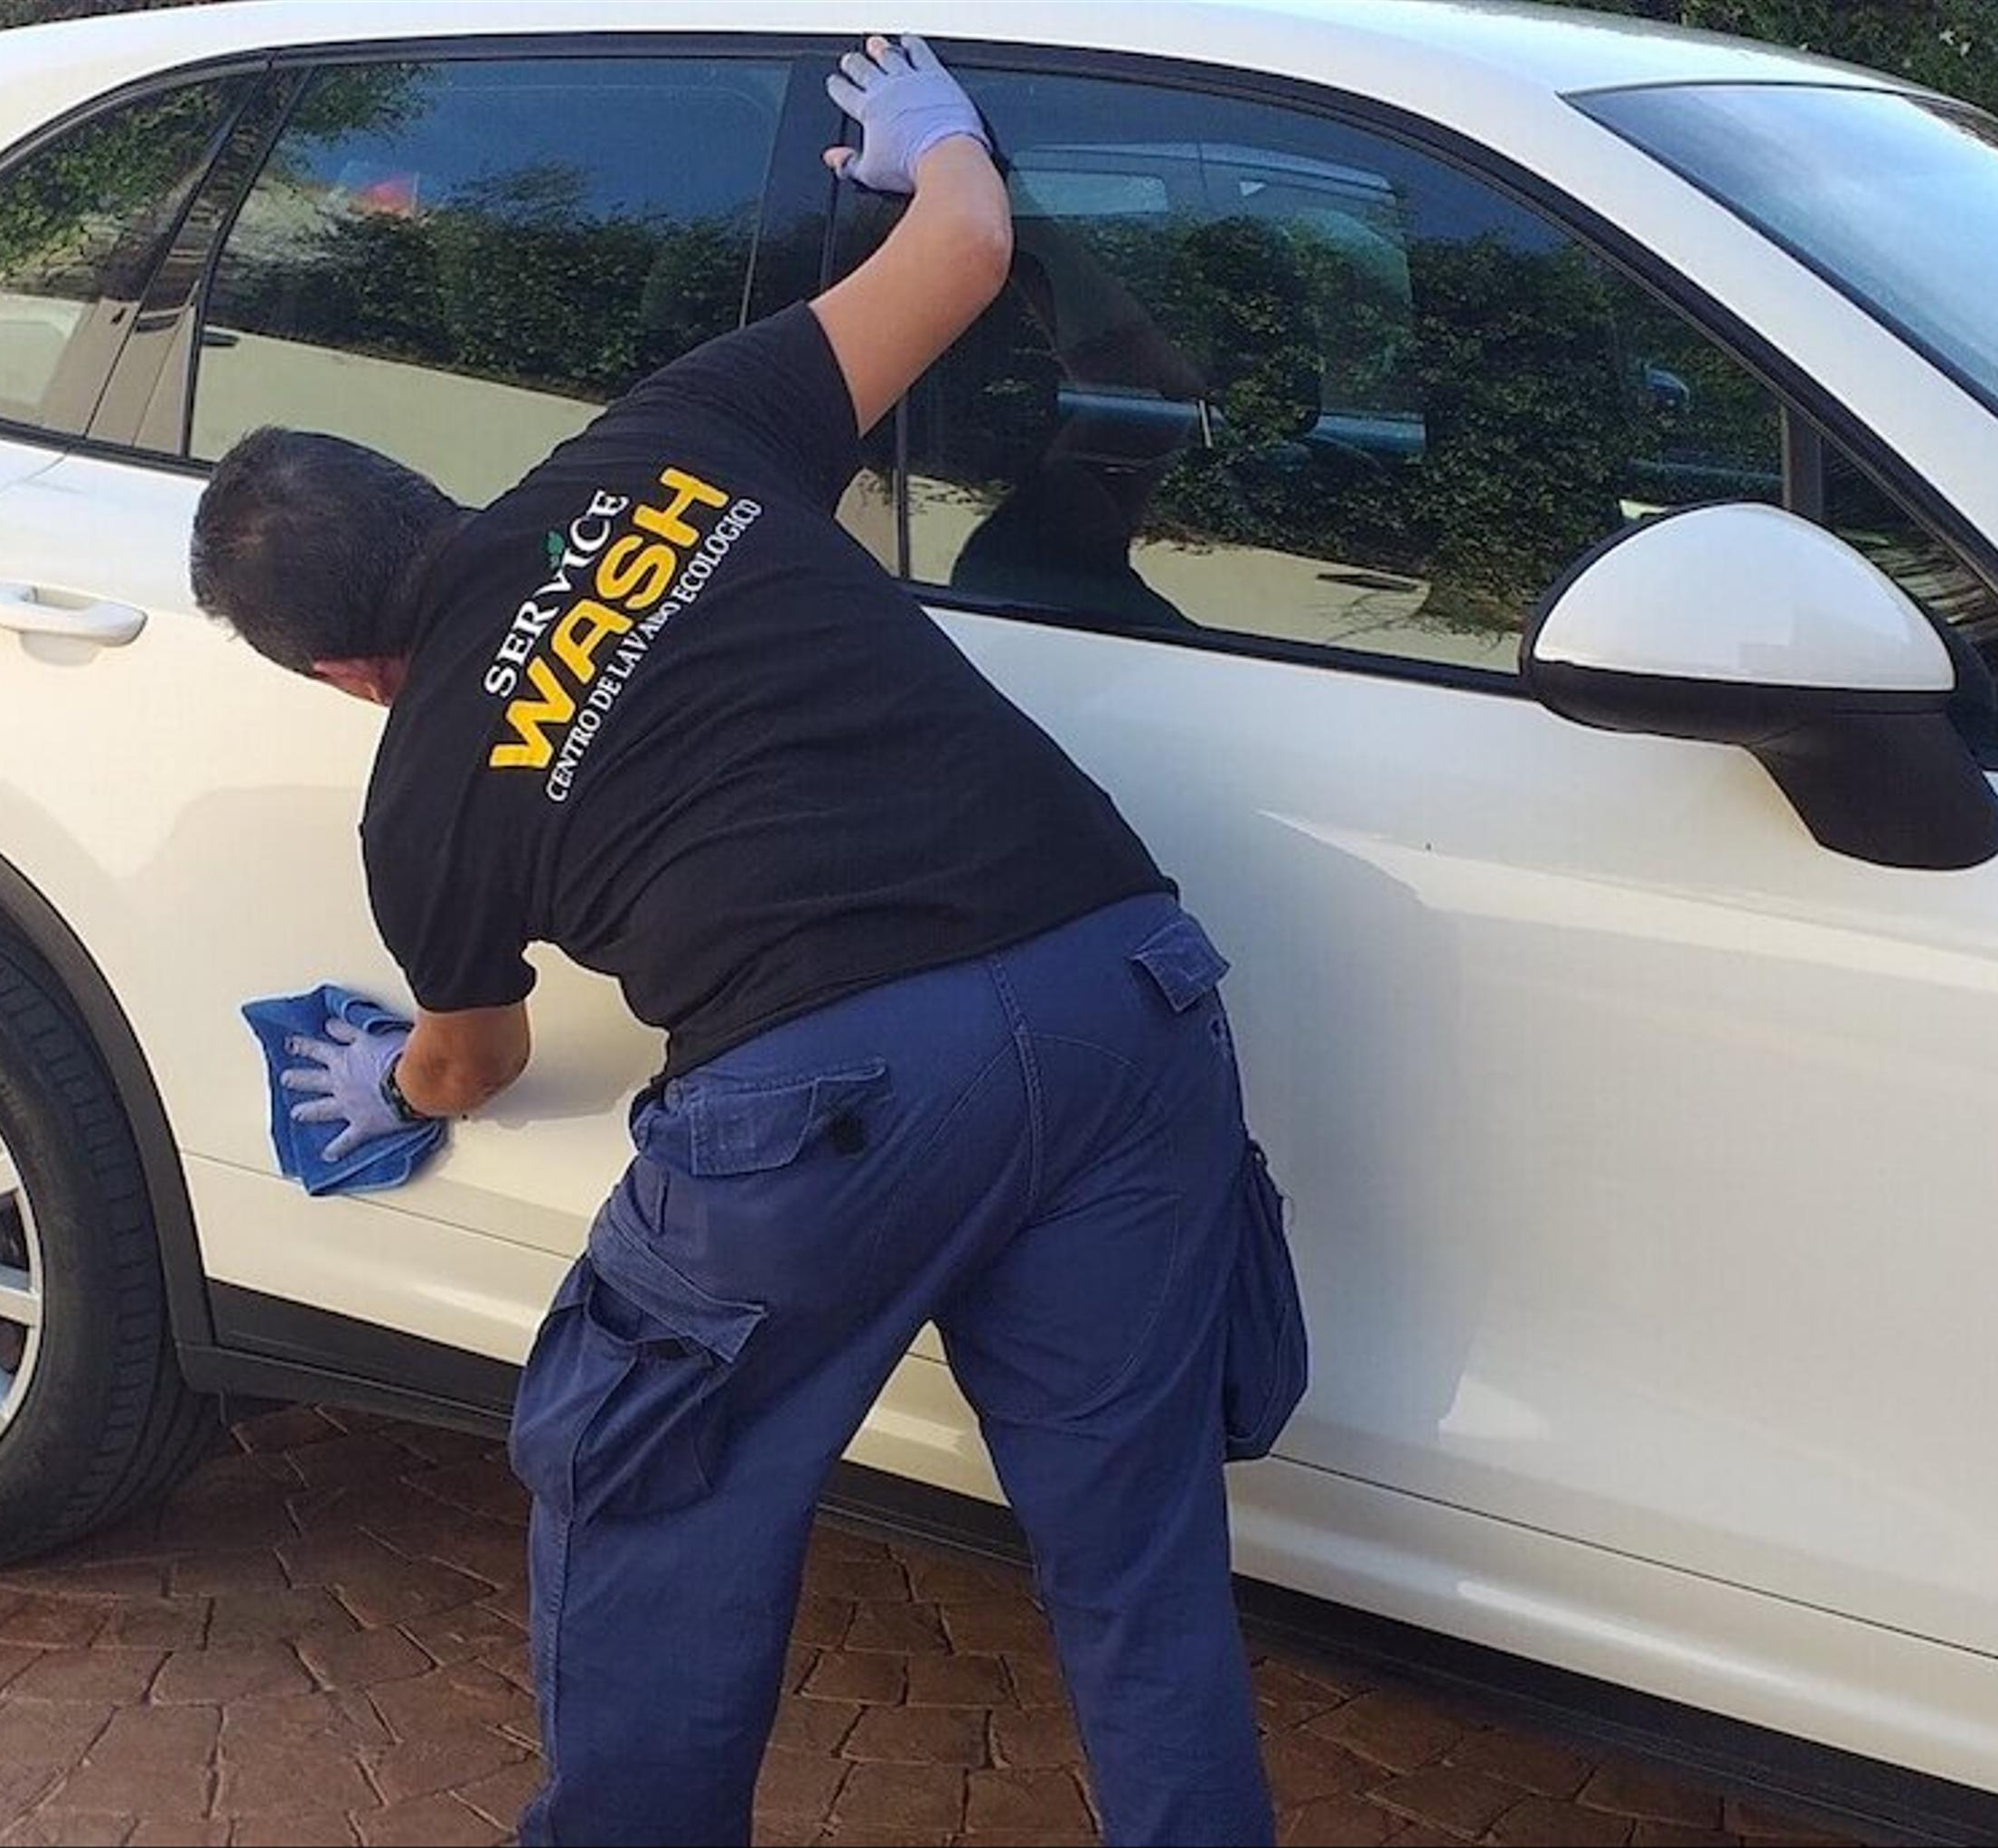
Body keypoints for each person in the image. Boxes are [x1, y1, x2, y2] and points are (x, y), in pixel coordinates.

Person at [187, 35, 1300, 1848]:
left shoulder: (421, 795)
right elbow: (961, 258)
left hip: (830, 1091)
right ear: (427, 499)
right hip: (1123, 991)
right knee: (1138, 1563)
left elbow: (478, 1055)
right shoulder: (671, 435)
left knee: (649, 1495)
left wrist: (388, 1074)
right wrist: (935, 141)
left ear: (338, 673)